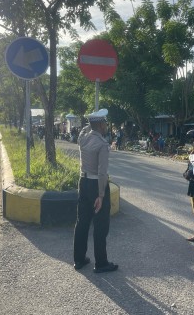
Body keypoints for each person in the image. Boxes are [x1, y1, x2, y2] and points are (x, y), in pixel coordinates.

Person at [73, 109, 118, 273]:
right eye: (105, 123)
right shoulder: (102, 144)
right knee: (100, 225)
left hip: (83, 182)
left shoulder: (83, 138)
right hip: (96, 185)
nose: (106, 125)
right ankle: (101, 263)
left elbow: (84, 130)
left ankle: (79, 259)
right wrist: (100, 195)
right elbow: (101, 172)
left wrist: (89, 123)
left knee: (82, 221)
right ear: (100, 124)